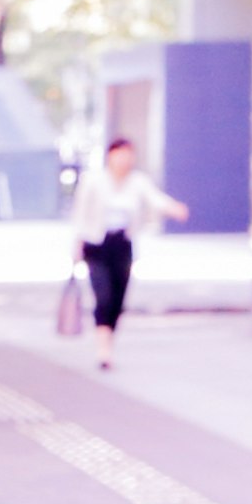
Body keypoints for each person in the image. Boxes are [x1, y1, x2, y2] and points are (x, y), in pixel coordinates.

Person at [66, 136, 186, 371]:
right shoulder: (94, 181)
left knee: (118, 298)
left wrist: (174, 209)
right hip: (96, 245)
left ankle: (109, 339)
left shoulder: (137, 181)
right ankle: (103, 349)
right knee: (103, 296)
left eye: (128, 155)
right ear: (110, 156)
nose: (124, 159)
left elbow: (155, 199)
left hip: (122, 245)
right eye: (120, 154)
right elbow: (80, 214)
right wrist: (76, 245)